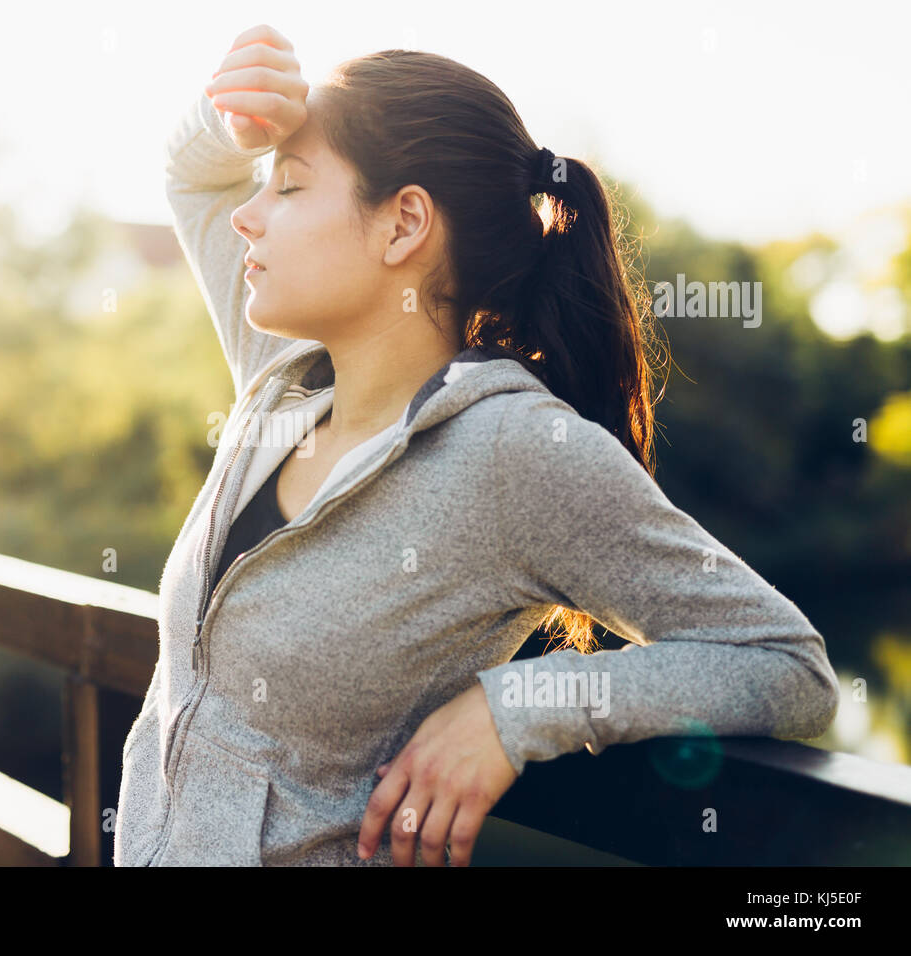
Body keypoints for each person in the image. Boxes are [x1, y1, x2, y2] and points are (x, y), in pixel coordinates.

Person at [113, 23, 840, 867]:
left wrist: (520, 705)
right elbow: (191, 177)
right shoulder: (283, 383)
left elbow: (785, 666)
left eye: (289, 187)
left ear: (403, 224)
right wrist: (231, 116)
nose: (246, 216)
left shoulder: (515, 451)